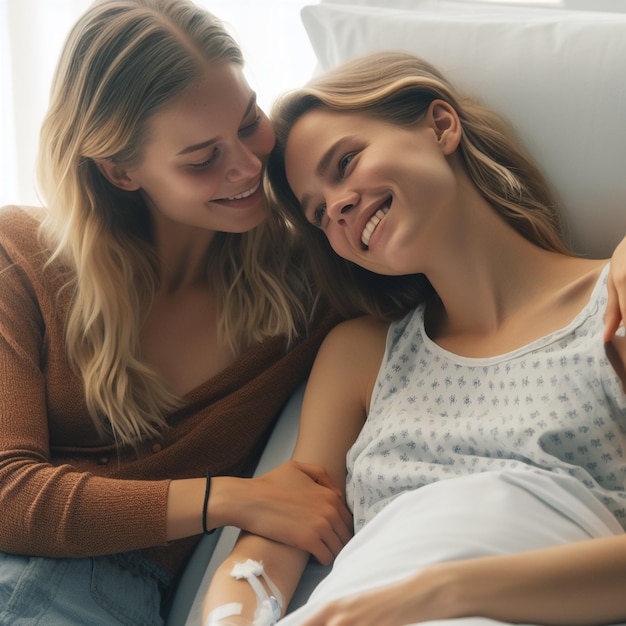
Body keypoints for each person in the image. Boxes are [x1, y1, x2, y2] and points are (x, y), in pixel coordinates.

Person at [202, 51, 626, 626]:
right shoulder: (362, 354)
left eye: (346, 162)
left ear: (440, 126)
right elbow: (277, 537)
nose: (339, 206)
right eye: (319, 214)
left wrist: (441, 592)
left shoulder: (613, 305)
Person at [0, 1, 354, 624]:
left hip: (108, 591)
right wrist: (231, 500)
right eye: (201, 158)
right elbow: (6, 493)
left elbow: (457, 283)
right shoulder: (18, 258)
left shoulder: (313, 285)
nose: (247, 166)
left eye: (249, 122)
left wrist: (592, 281)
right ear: (119, 170)